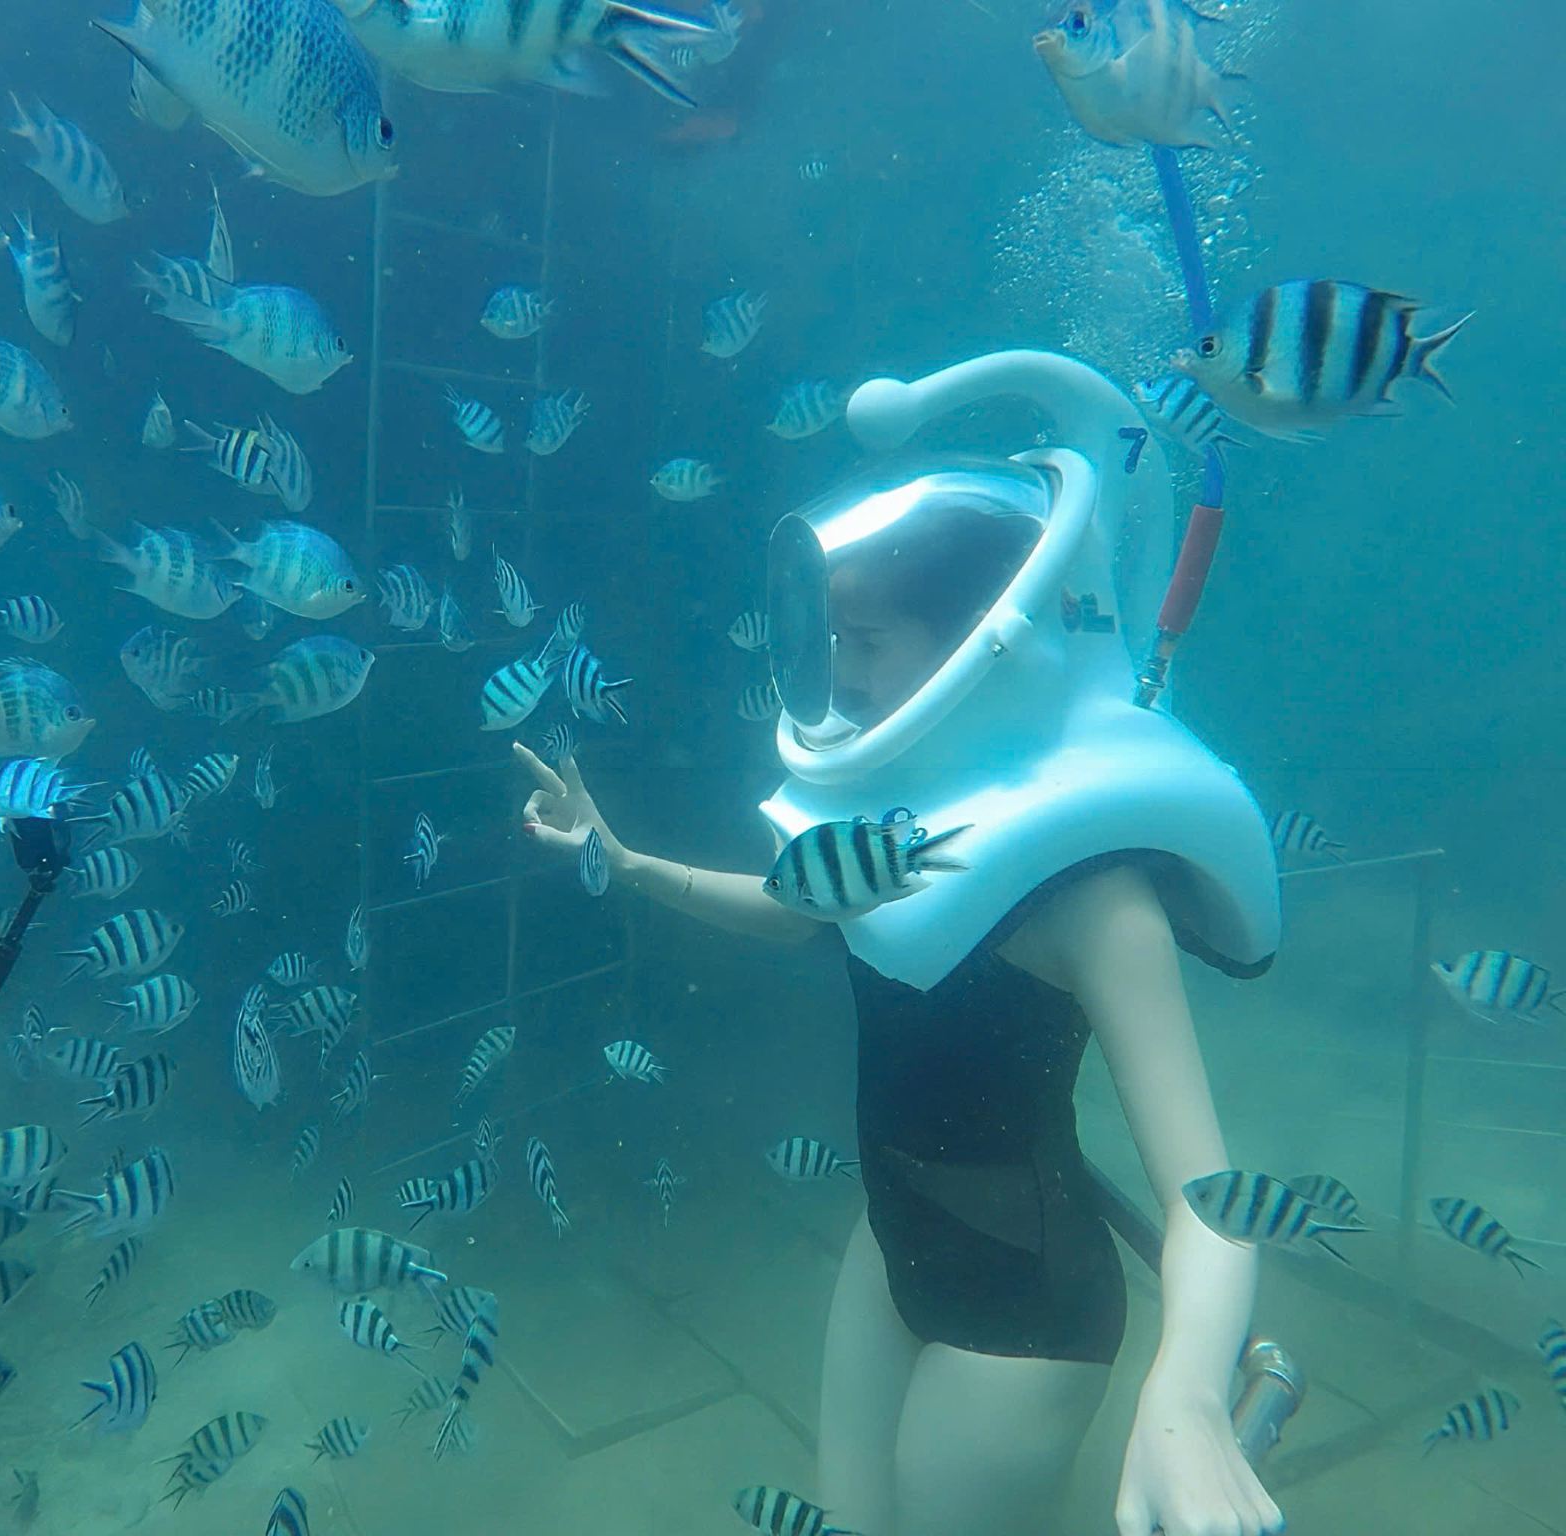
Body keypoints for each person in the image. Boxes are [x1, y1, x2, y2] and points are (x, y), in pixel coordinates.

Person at [519, 354, 1285, 1536]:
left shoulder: (1096, 897)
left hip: (1025, 1314)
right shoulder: (904, 812)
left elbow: (1211, 1202)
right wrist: (624, 862)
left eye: (866, 642)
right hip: (889, 1247)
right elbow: (799, 910)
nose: (841, 678)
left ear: (989, 645)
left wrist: (1185, 1394)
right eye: (829, 640)